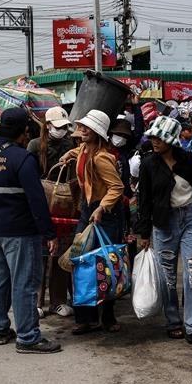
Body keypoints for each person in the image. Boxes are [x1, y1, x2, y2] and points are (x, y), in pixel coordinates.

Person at [0, 107, 62, 354]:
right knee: (24, 282)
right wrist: (49, 233)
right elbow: (37, 201)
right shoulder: (23, 159)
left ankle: (0, 329)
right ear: (24, 132)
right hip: (20, 232)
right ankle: (28, 337)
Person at [135, 116, 192, 347]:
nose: (155, 141)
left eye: (159, 137)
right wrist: (144, 232)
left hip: (191, 218)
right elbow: (144, 200)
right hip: (163, 222)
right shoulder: (148, 164)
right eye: (153, 137)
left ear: (171, 139)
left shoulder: (190, 160)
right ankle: (172, 320)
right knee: (167, 276)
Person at [58, 109, 125, 334]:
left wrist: (102, 207)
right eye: (82, 127)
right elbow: (79, 150)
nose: (82, 130)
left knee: (105, 265)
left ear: (97, 133)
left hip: (105, 213)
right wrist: (69, 154)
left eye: (88, 128)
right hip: (88, 210)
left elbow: (117, 187)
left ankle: (107, 316)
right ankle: (85, 318)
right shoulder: (86, 149)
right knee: (81, 262)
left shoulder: (102, 157)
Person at [26, 106, 75, 317]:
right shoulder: (35, 145)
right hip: (41, 206)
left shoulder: (71, 144)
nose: (62, 130)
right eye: (58, 127)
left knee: (61, 255)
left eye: (64, 127)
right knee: (40, 255)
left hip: (65, 207)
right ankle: (37, 301)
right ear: (47, 126)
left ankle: (58, 300)